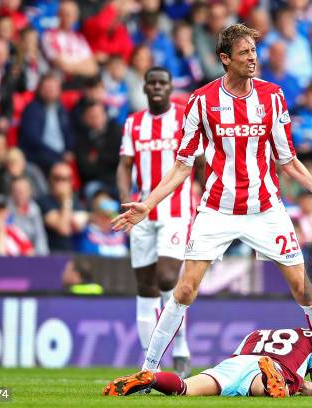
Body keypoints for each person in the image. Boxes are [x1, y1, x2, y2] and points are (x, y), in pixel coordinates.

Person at [112, 23, 312, 398]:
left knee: (303, 289)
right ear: (225, 58)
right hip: (217, 210)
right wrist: (147, 204)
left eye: (254, 51)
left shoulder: (273, 96)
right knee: (184, 289)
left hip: (266, 209)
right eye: (245, 52)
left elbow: (286, 157)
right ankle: (147, 374)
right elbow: (183, 164)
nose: (253, 58)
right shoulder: (202, 100)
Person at [116, 67, 193, 379]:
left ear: (170, 86)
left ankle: (182, 347)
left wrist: (200, 195)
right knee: (145, 286)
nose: (158, 87)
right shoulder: (134, 123)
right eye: (152, 83)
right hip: (142, 213)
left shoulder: (184, 117)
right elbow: (124, 166)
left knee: (165, 278)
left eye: (163, 82)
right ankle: (151, 367)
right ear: (145, 88)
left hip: (175, 211)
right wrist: (126, 201)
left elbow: (198, 162)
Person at [103, 327, 312, 398]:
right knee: (267, 389)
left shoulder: (256, 333)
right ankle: (273, 381)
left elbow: (238, 357)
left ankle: (153, 378)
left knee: (185, 389)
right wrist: (306, 388)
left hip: (237, 362)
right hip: (274, 365)